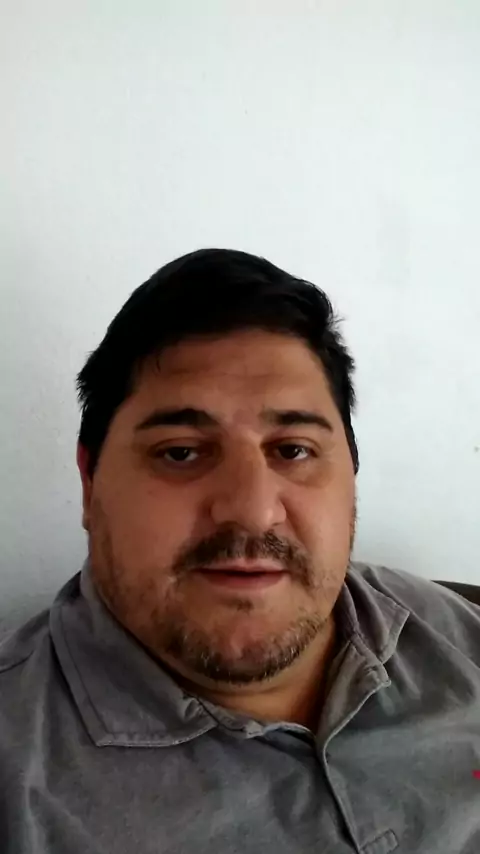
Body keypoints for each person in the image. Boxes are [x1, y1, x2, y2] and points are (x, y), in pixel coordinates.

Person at [1, 249, 479, 854]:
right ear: (90, 483)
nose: (252, 510)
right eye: (180, 452)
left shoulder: (459, 639)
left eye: (293, 450)